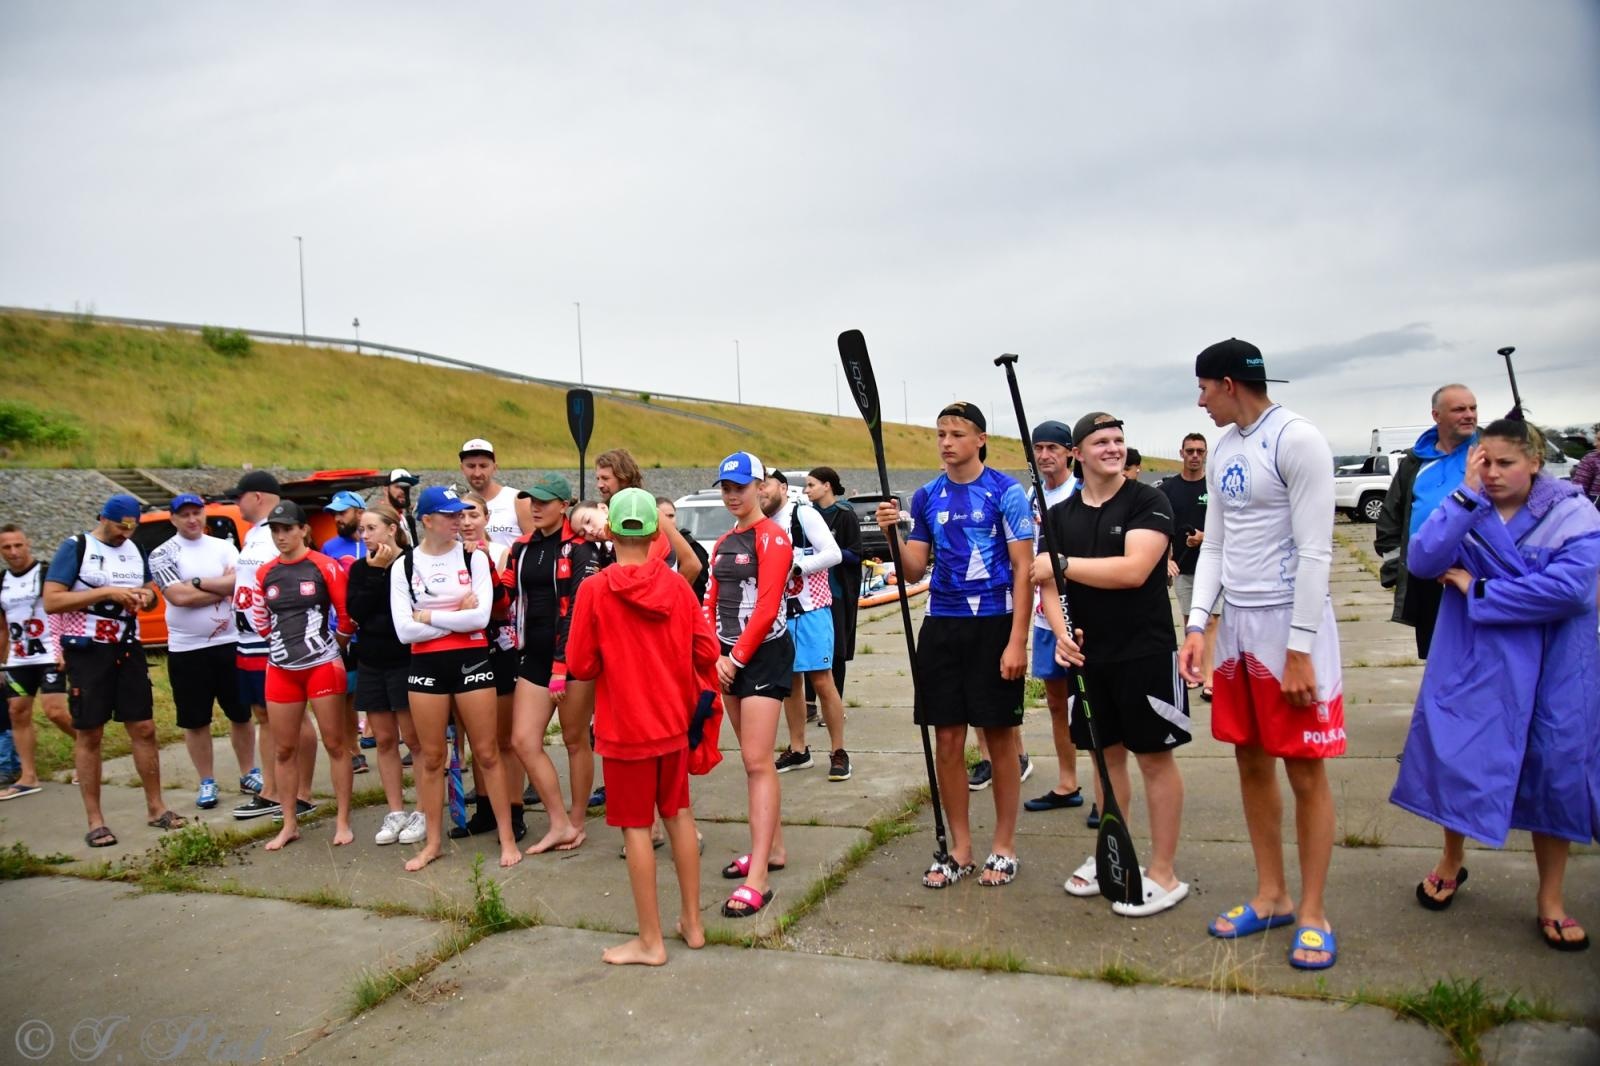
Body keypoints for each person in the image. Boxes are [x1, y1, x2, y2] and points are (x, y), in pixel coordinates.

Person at [1390, 420, 1599, 950]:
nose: (1494, 473)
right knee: (1460, 757)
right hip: (1477, 663)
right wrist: (1465, 495)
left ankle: (1551, 897)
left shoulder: (1573, 513)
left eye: (1506, 463)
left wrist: (1479, 588)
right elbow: (1423, 560)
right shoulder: (1467, 506)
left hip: (1555, 665)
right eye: (1485, 462)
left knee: (1555, 770)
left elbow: (1571, 591)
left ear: (1535, 462)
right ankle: (1451, 859)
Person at [1178, 338, 1343, 970]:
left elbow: (1317, 550)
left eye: (1203, 388)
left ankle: (1313, 911)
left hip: (1289, 625)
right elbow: (1215, 547)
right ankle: (1272, 894)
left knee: (1303, 767)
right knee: (1249, 758)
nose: (1200, 401)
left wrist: (1300, 649)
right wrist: (1199, 625)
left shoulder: (1297, 439)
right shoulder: (1225, 448)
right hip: (1240, 628)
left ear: (1227, 383)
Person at [875, 403, 1035, 888]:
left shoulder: (1006, 492)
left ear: (980, 439)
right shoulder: (927, 495)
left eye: (957, 434)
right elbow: (913, 571)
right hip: (942, 624)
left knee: (999, 736)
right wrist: (892, 533)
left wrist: (1017, 641)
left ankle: (1004, 846)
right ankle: (960, 848)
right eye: (941, 434)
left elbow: (1024, 569)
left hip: (994, 623)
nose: (946, 442)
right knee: (946, 738)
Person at [1039, 413, 1190, 916]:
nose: (1113, 448)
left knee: (1154, 758)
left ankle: (1164, 872)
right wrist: (1061, 634)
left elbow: (1134, 570)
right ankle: (1114, 849)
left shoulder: (1149, 501)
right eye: (1101, 441)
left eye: (1119, 440)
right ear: (1078, 453)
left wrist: (1063, 564)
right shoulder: (1060, 516)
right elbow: (1046, 583)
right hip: (1089, 656)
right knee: (1105, 759)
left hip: (1145, 652)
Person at [565, 487, 718, 964]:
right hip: (673, 722)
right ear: (655, 533)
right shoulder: (676, 587)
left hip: (624, 729)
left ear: (610, 530)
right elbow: (707, 650)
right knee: (679, 816)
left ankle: (650, 941)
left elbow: (580, 664)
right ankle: (693, 923)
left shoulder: (594, 590)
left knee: (636, 828)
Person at [391, 485, 522, 872]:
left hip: (472, 660)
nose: (459, 521)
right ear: (427, 520)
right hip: (425, 665)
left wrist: (429, 616)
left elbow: (480, 619)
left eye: (462, 514)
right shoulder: (404, 565)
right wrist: (455, 618)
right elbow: (404, 631)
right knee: (432, 758)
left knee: (487, 753)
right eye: (449, 515)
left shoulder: (474, 557)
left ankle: (507, 838)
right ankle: (433, 843)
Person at [43, 494, 185, 846]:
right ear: (104, 519)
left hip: (127, 646)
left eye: (131, 529)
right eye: (121, 527)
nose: (125, 534)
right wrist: (105, 593)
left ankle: (156, 808)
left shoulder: (134, 549)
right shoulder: (76, 547)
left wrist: (145, 598)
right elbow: (52, 600)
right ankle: (96, 820)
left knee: (144, 727)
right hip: (88, 650)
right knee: (90, 732)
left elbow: (151, 593)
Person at [708, 451, 794, 917]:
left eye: (740, 486)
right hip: (727, 659)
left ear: (761, 487)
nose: (732, 495)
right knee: (751, 761)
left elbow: (767, 607)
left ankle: (758, 876)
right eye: (726, 487)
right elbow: (711, 600)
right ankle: (772, 849)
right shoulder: (724, 541)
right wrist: (714, 654)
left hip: (762, 657)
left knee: (759, 761)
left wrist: (736, 658)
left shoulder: (773, 538)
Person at [250, 500, 357, 852]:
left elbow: (345, 614)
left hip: (322, 665)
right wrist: (280, 647)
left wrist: (335, 646)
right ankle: (289, 823)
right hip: (282, 668)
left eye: (287, 529)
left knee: (335, 744)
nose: (281, 536)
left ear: (303, 530)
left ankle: (342, 820)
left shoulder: (324, 566)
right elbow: (260, 617)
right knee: (283, 749)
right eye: (275, 530)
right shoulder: (265, 572)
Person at [506, 474, 603, 853]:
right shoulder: (521, 547)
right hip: (533, 657)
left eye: (544, 502)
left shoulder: (581, 549)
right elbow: (507, 596)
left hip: (574, 659)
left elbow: (578, 610)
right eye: (532, 501)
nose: (535, 508)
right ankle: (559, 821)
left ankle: (577, 821)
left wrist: (562, 665)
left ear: (564, 506)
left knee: (575, 740)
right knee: (523, 741)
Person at [148, 493, 253, 810]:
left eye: (197, 513)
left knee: (241, 713)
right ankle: (207, 779)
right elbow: (178, 597)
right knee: (195, 720)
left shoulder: (224, 546)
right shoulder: (161, 554)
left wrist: (196, 583)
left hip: (230, 643)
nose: (192, 519)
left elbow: (240, 585)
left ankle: (249, 772)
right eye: (185, 515)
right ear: (173, 519)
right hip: (187, 648)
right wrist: (218, 585)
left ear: (205, 514)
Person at [229, 471, 318, 820]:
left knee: (294, 714)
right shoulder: (254, 534)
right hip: (248, 638)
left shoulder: (279, 536)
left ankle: (303, 792)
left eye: (239, 496)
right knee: (264, 715)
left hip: (275, 639)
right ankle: (272, 789)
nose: (235, 503)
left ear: (258, 497)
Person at [1375, 385, 1480, 658]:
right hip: (1428, 579)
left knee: (1480, 658)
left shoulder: (1486, 453)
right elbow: (1391, 518)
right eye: (1459, 409)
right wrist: (1396, 568)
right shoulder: (1414, 461)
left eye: (1473, 408)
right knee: (1437, 659)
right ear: (1436, 415)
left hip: (1478, 574)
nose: (1469, 415)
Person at [762, 469, 851, 781]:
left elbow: (834, 554)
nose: (760, 491)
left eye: (766, 485)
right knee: (790, 683)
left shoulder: (803, 514)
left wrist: (797, 566)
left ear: (783, 487)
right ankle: (799, 749)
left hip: (812, 610)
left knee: (822, 681)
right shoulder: (756, 522)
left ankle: (839, 751)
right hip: (778, 615)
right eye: (756, 486)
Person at [346, 503, 424, 846]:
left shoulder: (412, 561)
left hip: (405, 660)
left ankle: (422, 809)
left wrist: (385, 571)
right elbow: (357, 612)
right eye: (362, 530)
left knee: (415, 740)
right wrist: (376, 572)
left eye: (371, 528)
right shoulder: (360, 569)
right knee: (384, 740)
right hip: (371, 661)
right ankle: (395, 811)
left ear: (392, 529)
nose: (364, 536)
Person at [1020, 421, 1086, 815]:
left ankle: (1108, 786)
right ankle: (1067, 781)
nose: (1045, 455)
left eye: (1053, 448)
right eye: (1039, 448)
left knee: (1091, 702)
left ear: (1070, 453)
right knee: (1057, 703)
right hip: (1045, 617)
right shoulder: (1032, 495)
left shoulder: (1081, 491)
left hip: (1081, 613)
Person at [453, 490, 526, 842]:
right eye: (460, 516)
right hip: (461, 650)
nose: (467, 522)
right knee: (476, 738)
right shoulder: (444, 556)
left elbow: (501, 605)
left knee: (504, 739)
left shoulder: (501, 553)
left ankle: (514, 810)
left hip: (500, 649)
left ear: (487, 518)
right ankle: (484, 809)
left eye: (473, 515)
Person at [0, 524, 75, 801]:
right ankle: (28, 776)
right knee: (17, 712)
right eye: (7, 547)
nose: (13, 552)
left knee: (55, 711)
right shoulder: (2, 581)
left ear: (27, 544)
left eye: (18, 545)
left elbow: (66, 612)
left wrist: (65, 649)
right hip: (19, 659)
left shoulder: (46, 573)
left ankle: (87, 748)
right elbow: (2, 628)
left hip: (50, 654)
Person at [1160, 433, 1219, 701]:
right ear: (1181, 453)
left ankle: (1210, 676)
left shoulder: (1214, 488)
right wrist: (1167, 559)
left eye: (1200, 451)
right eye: (1190, 451)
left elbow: (1228, 527)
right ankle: (1194, 669)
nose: (1195, 456)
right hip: (1183, 567)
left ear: (1206, 454)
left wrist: (1204, 537)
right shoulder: (1168, 490)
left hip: (1214, 566)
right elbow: (1161, 530)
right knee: (1190, 620)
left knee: (1212, 620)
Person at [803, 468, 861, 703]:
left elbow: (856, 554)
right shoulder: (806, 515)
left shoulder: (845, 515)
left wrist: (829, 552)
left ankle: (834, 704)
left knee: (836, 650)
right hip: (809, 594)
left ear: (827, 486)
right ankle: (809, 704)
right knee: (808, 648)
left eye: (811, 485)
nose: (806, 490)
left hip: (836, 591)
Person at [459, 439, 530, 548]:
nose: (477, 473)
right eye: (471, 466)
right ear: (462, 468)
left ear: (494, 467)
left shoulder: (518, 500)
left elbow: (536, 545)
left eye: (483, 466)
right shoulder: (458, 505)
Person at [386, 469, 420, 544]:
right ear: (385, 489)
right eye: (398, 487)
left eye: (406, 488)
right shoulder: (379, 518)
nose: (403, 491)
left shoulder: (403, 517)